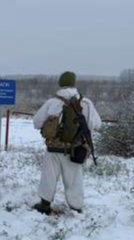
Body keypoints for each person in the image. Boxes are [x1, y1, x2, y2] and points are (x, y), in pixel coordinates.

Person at [32, 71, 102, 215]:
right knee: (75, 179)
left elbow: (36, 122)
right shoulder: (86, 103)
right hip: (75, 149)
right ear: (74, 84)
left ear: (60, 84)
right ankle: (76, 207)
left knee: (49, 176)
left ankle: (44, 205)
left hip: (53, 148)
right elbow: (97, 124)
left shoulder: (52, 102)